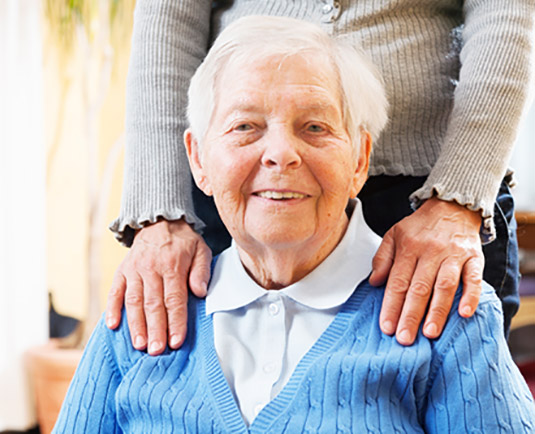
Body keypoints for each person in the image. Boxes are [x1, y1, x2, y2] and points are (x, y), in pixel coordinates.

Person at [55, 17, 535, 433]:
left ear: (360, 160)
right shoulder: (141, 310)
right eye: (245, 126)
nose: (280, 154)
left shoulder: (449, 319)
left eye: (315, 127)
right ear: (198, 160)